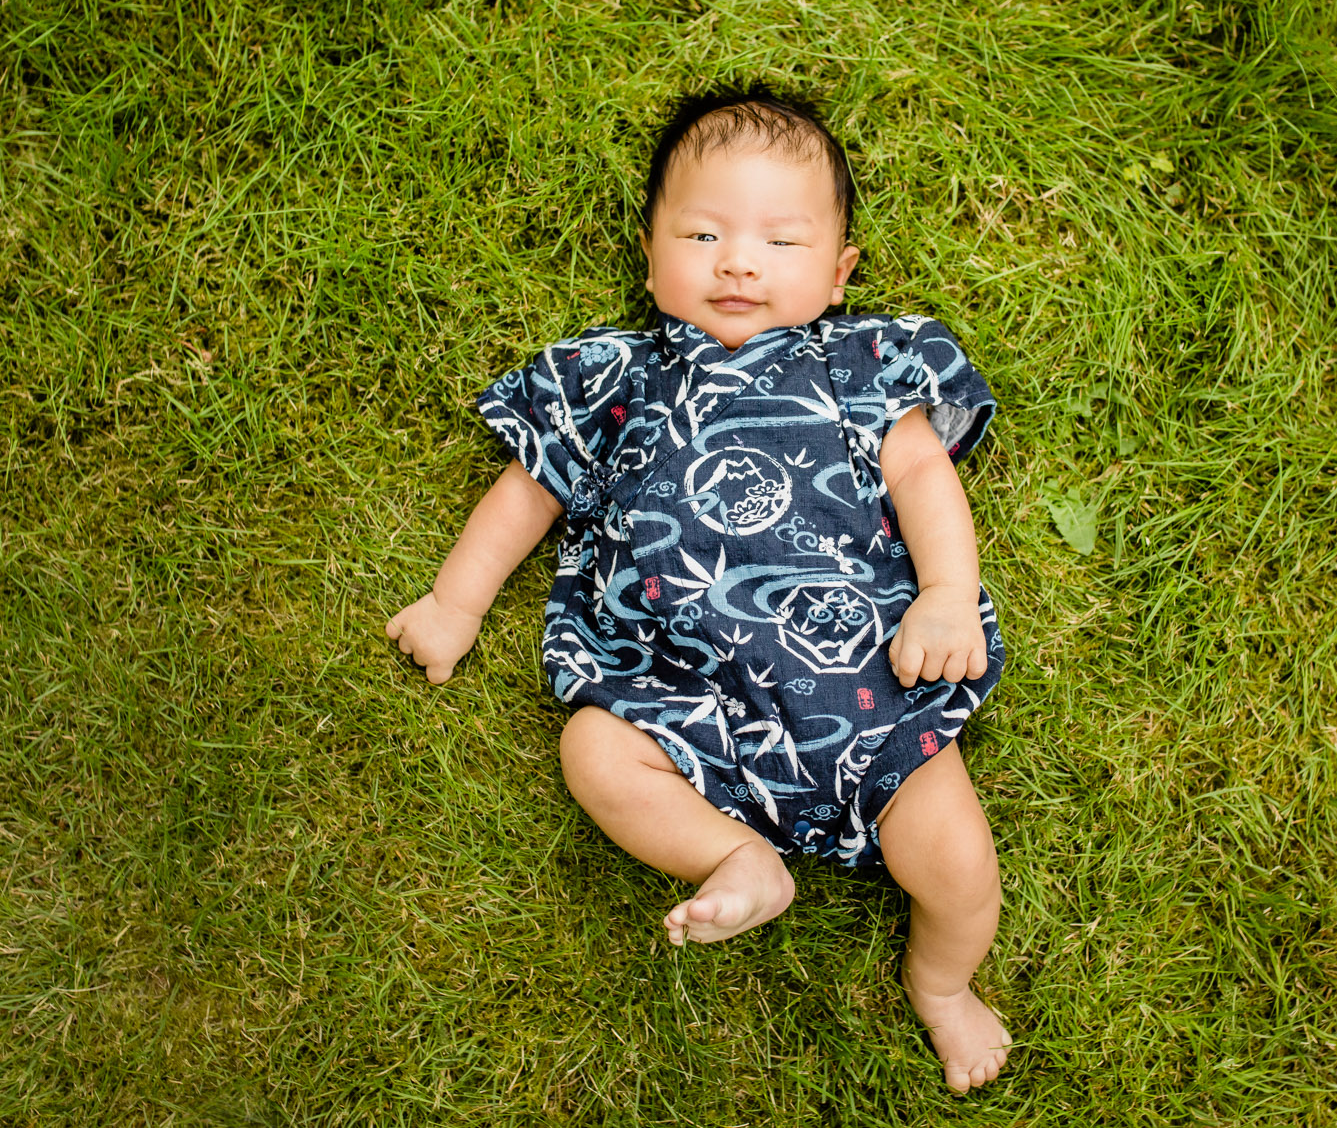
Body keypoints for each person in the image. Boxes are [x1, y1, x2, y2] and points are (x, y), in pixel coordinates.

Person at [386, 86, 1011, 1093]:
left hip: (860, 686)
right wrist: (455, 603)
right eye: (705, 231)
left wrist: (945, 594)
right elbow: (526, 494)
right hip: (670, 689)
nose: (737, 261)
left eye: (780, 239)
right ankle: (736, 860)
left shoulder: (859, 368)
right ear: (650, 253)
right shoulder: (613, 380)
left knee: (959, 864)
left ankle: (941, 984)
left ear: (839, 271)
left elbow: (923, 479)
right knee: (592, 748)